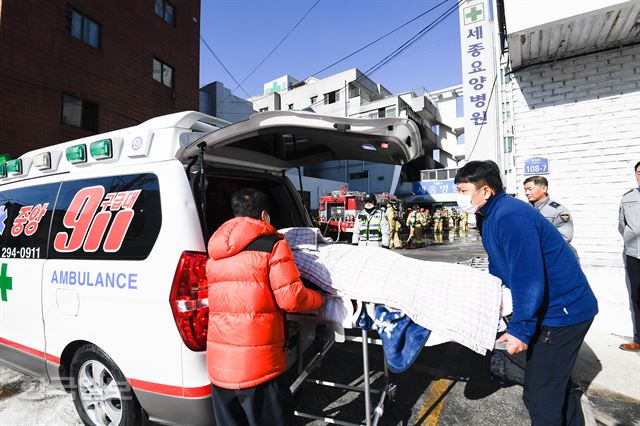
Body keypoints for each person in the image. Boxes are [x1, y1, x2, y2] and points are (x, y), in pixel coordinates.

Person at [455, 160, 598, 426]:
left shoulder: (510, 216)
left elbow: (527, 275)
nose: (459, 198)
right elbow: (499, 265)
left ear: (485, 191)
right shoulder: (487, 216)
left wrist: (521, 329)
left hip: (564, 312)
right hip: (549, 308)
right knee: (552, 386)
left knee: (540, 397)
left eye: (463, 191)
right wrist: (496, 306)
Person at [206, 188, 325, 426]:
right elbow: (292, 299)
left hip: (219, 367)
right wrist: (320, 299)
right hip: (259, 366)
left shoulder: (215, 253)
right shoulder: (273, 246)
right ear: (264, 216)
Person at [618, 161, 640, 351]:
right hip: (635, 254)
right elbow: (621, 224)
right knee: (637, 297)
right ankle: (639, 339)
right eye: (639, 172)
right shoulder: (628, 198)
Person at [523, 176, 574, 243]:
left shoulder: (559, 211)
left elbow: (565, 237)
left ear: (544, 189)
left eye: (530, 189)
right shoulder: (523, 209)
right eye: (525, 189)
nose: (527, 193)